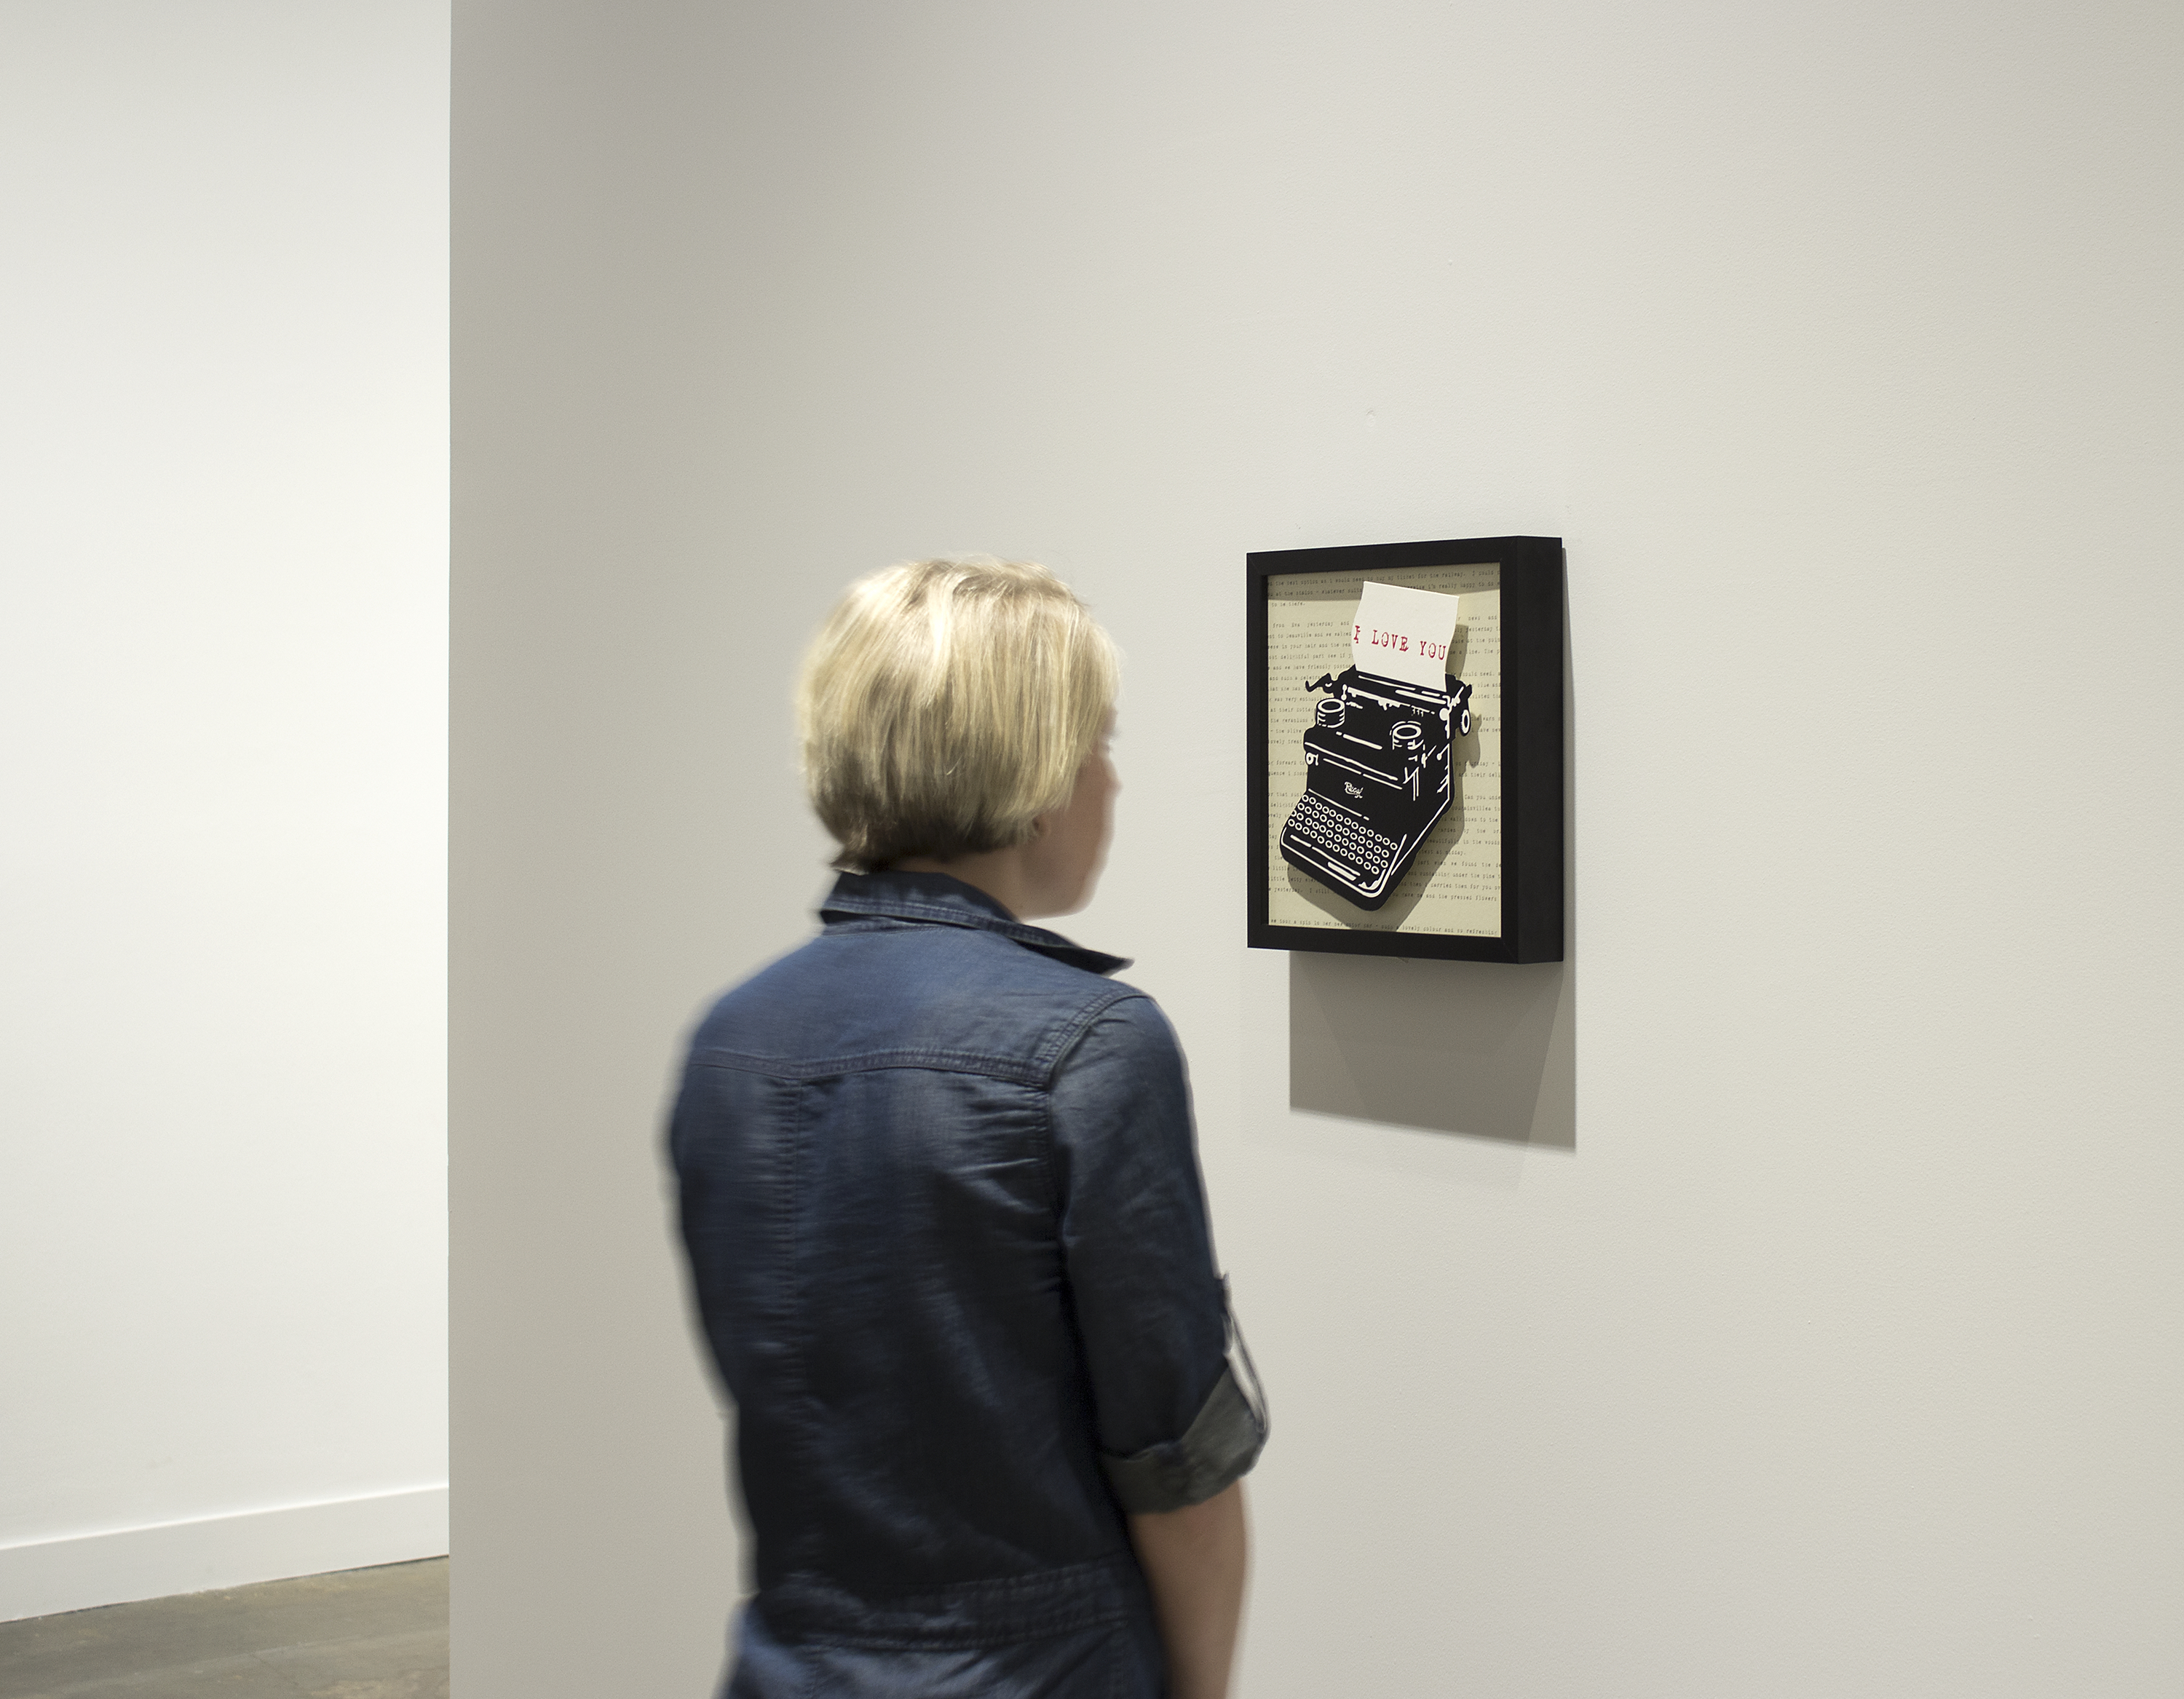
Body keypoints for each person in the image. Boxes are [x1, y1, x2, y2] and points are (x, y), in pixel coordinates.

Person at [670, 557, 1266, 1699]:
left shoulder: (730, 1041)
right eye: (1100, 742)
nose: (1112, 783)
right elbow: (1178, 1468)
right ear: (1035, 772)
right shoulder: (1093, 1045)